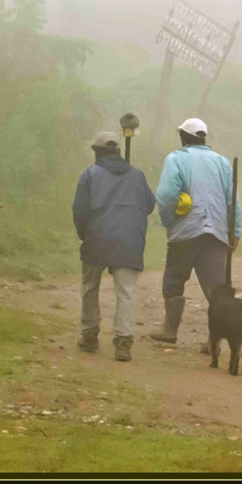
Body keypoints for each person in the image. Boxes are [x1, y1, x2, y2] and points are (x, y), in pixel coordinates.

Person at [149, 118, 241, 353]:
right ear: (203, 138)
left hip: (186, 232)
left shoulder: (176, 159)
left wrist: (168, 220)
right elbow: (233, 200)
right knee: (216, 289)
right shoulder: (222, 162)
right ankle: (214, 342)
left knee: (174, 281)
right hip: (217, 233)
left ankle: (169, 330)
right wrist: (235, 230)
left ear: (184, 137)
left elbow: (167, 193)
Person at [72, 131, 157, 362]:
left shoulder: (90, 174)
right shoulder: (137, 175)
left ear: (97, 153)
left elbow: (79, 211)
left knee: (90, 285)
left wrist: (85, 236)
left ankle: (89, 335)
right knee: (126, 292)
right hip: (130, 240)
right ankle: (123, 343)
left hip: (97, 237)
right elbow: (149, 205)